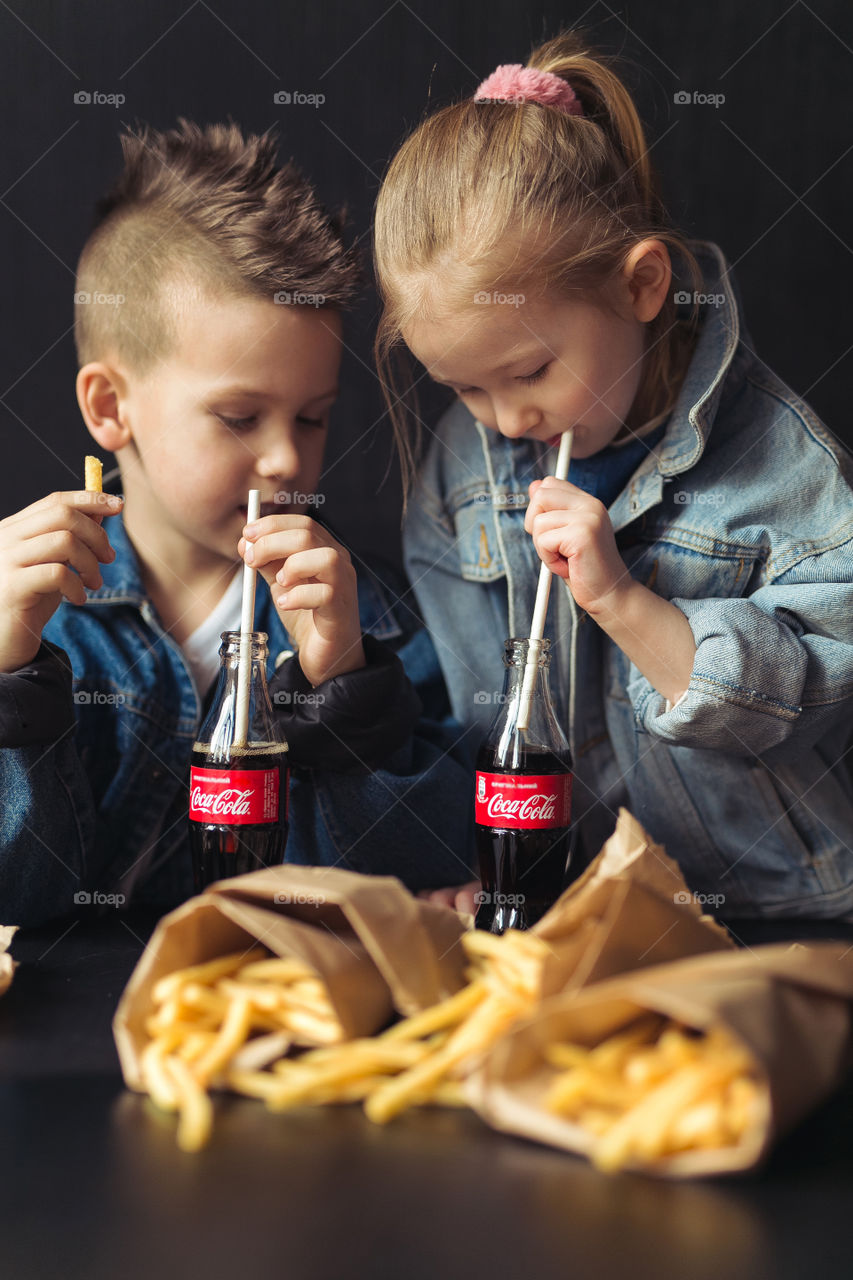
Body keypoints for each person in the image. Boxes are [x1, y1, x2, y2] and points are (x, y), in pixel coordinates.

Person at [372, 32, 853, 922]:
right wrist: (497, 864)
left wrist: (624, 603)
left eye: (529, 373)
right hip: (569, 912)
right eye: (464, 386)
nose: (506, 420)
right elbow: (467, 715)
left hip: (778, 917)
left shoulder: (785, 471)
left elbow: (808, 707)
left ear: (640, 286)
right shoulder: (461, 465)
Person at [0, 120, 476, 927]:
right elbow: (18, 905)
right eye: (240, 416)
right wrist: (11, 678)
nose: (287, 461)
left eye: (313, 418)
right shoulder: (38, 614)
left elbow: (422, 876)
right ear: (111, 408)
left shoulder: (368, 621)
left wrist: (342, 692)